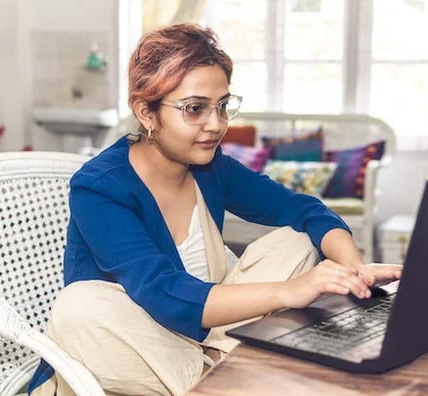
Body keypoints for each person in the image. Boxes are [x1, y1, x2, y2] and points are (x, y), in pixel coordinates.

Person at [28, 23, 402, 396]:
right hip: (135, 346)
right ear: (146, 112)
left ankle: (223, 374)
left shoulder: (211, 166)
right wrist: (291, 291)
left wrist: (354, 269)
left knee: (298, 241)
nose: (216, 125)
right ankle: (232, 378)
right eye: (195, 109)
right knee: (78, 306)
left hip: (207, 339)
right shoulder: (99, 187)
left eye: (222, 106)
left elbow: (302, 209)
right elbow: (163, 292)